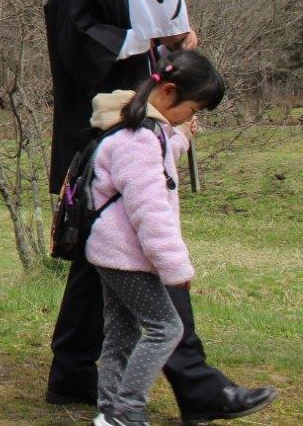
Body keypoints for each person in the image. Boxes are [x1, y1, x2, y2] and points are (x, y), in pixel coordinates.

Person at [44, 0, 275, 422]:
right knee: (147, 258)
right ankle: (197, 387)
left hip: (122, 138)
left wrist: (168, 46)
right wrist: (151, 36)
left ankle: (74, 372)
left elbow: (133, 51)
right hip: (107, 146)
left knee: (99, 261)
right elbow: (85, 53)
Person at [85, 51, 232, 426]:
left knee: (120, 335)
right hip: (126, 255)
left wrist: (179, 137)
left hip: (110, 252)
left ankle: (109, 411)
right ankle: (127, 412)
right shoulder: (138, 139)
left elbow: (157, 165)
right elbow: (148, 210)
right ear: (168, 92)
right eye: (193, 108)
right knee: (166, 329)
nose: (192, 117)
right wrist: (174, 265)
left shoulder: (138, 129)